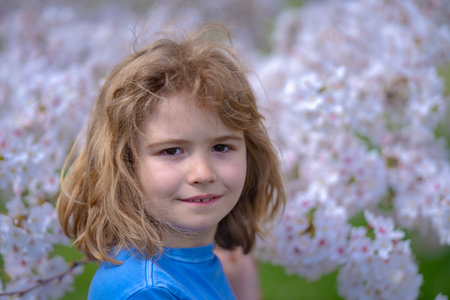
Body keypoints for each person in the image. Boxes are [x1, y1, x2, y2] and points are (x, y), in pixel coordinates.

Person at [57, 25, 285, 300]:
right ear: (124, 165)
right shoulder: (149, 291)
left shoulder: (190, 262)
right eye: (172, 151)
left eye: (221, 147)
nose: (202, 173)